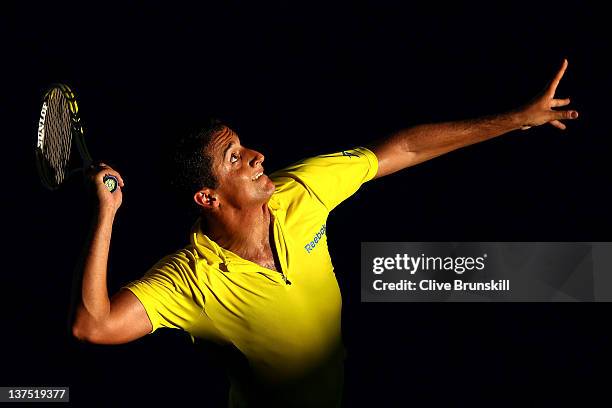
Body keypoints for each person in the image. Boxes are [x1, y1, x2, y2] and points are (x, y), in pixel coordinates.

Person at [70, 59, 578, 407]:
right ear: (209, 197)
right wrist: (107, 213)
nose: (256, 156)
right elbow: (94, 326)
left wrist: (515, 120)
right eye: (235, 157)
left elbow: (401, 150)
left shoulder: (299, 192)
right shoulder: (191, 280)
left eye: (245, 146)